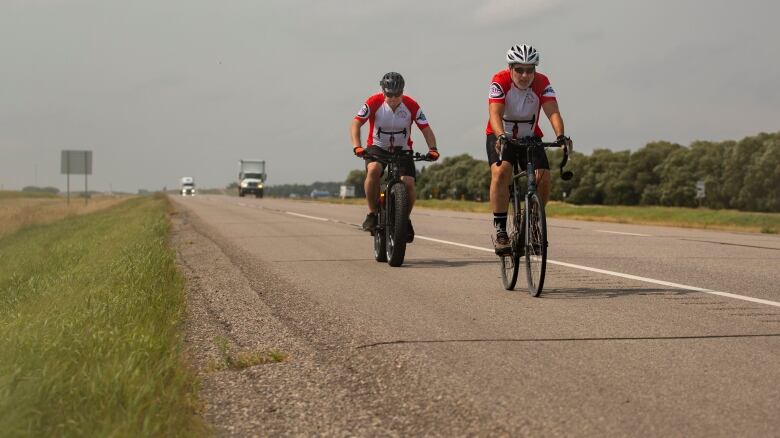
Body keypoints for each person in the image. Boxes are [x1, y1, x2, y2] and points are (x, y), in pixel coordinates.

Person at [486, 44, 573, 255]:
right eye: (519, 70)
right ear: (510, 68)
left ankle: (533, 221)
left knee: (543, 175)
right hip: (501, 134)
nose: (525, 75)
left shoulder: (542, 82)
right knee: (501, 172)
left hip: (530, 136)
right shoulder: (500, 80)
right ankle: (500, 230)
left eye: (530, 70)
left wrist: (560, 136)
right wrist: (500, 136)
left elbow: (552, 111)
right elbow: (495, 113)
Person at [350, 72, 440, 243]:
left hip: (402, 149)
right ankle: (371, 213)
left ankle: (404, 219)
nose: (392, 98)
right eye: (388, 94)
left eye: (397, 95)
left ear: (402, 92)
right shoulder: (373, 102)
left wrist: (433, 149)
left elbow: (426, 128)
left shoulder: (411, 105)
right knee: (373, 171)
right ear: (382, 91)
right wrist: (357, 146)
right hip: (378, 148)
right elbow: (356, 123)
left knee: (408, 182)